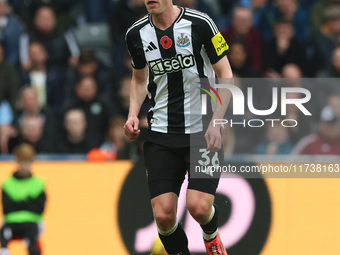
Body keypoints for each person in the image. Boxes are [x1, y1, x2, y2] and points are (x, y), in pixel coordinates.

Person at [124, 1, 232, 254]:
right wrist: (132, 114)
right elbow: (139, 79)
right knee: (163, 215)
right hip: (161, 133)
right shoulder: (135, 34)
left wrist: (216, 121)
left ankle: (212, 237)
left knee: (199, 207)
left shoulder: (200, 23)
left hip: (203, 131)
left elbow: (226, 73)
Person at [0, 143, 46, 255]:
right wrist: (27, 202)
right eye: (21, 162)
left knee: (32, 242)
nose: (24, 166)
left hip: (32, 222)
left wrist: (18, 203)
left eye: (27, 162)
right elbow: (7, 208)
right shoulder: (8, 184)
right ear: (17, 162)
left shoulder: (38, 184)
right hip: (11, 221)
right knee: (3, 235)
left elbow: (39, 208)